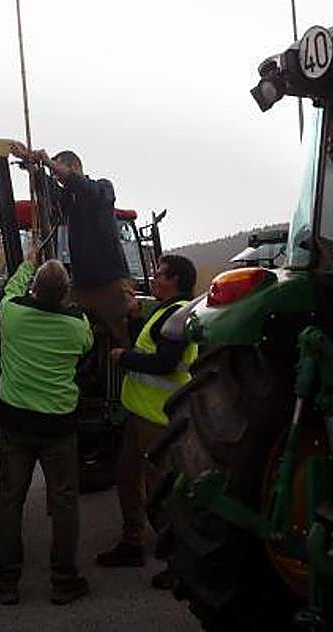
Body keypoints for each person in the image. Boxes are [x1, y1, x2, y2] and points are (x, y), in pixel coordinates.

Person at [0, 247, 94, 606]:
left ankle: (6, 582)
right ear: (65, 292)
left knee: (9, 500)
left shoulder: (12, 314)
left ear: (34, 288)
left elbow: (9, 290)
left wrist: (27, 263)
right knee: (64, 502)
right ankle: (64, 581)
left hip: (15, 424)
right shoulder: (77, 326)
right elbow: (87, 346)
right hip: (58, 428)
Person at [95, 253, 198, 590]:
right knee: (127, 477)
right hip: (140, 412)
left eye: (161, 274)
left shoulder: (177, 316)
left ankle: (179, 561)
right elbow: (151, 345)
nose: (154, 278)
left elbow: (164, 363)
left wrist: (124, 357)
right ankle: (133, 542)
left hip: (158, 418)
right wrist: (133, 318)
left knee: (161, 491)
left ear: (176, 281)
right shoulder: (164, 312)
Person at [8, 142, 135, 347]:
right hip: (81, 285)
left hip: (110, 283)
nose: (58, 179)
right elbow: (48, 187)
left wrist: (47, 162)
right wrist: (30, 163)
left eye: (59, 172)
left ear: (74, 167)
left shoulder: (103, 189)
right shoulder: (68, 198)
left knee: (120, 338)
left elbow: (82, 186)